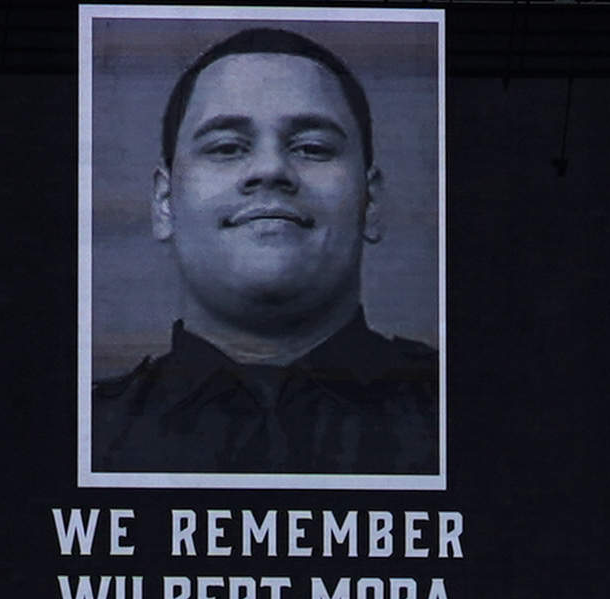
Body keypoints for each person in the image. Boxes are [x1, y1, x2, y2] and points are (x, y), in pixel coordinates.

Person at [85, 24, 441, 478]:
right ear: (164, 202)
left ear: (370, 203)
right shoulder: (87, 433)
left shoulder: (461, 416)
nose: (271, 169)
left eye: (312, 148)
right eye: (228, 147)